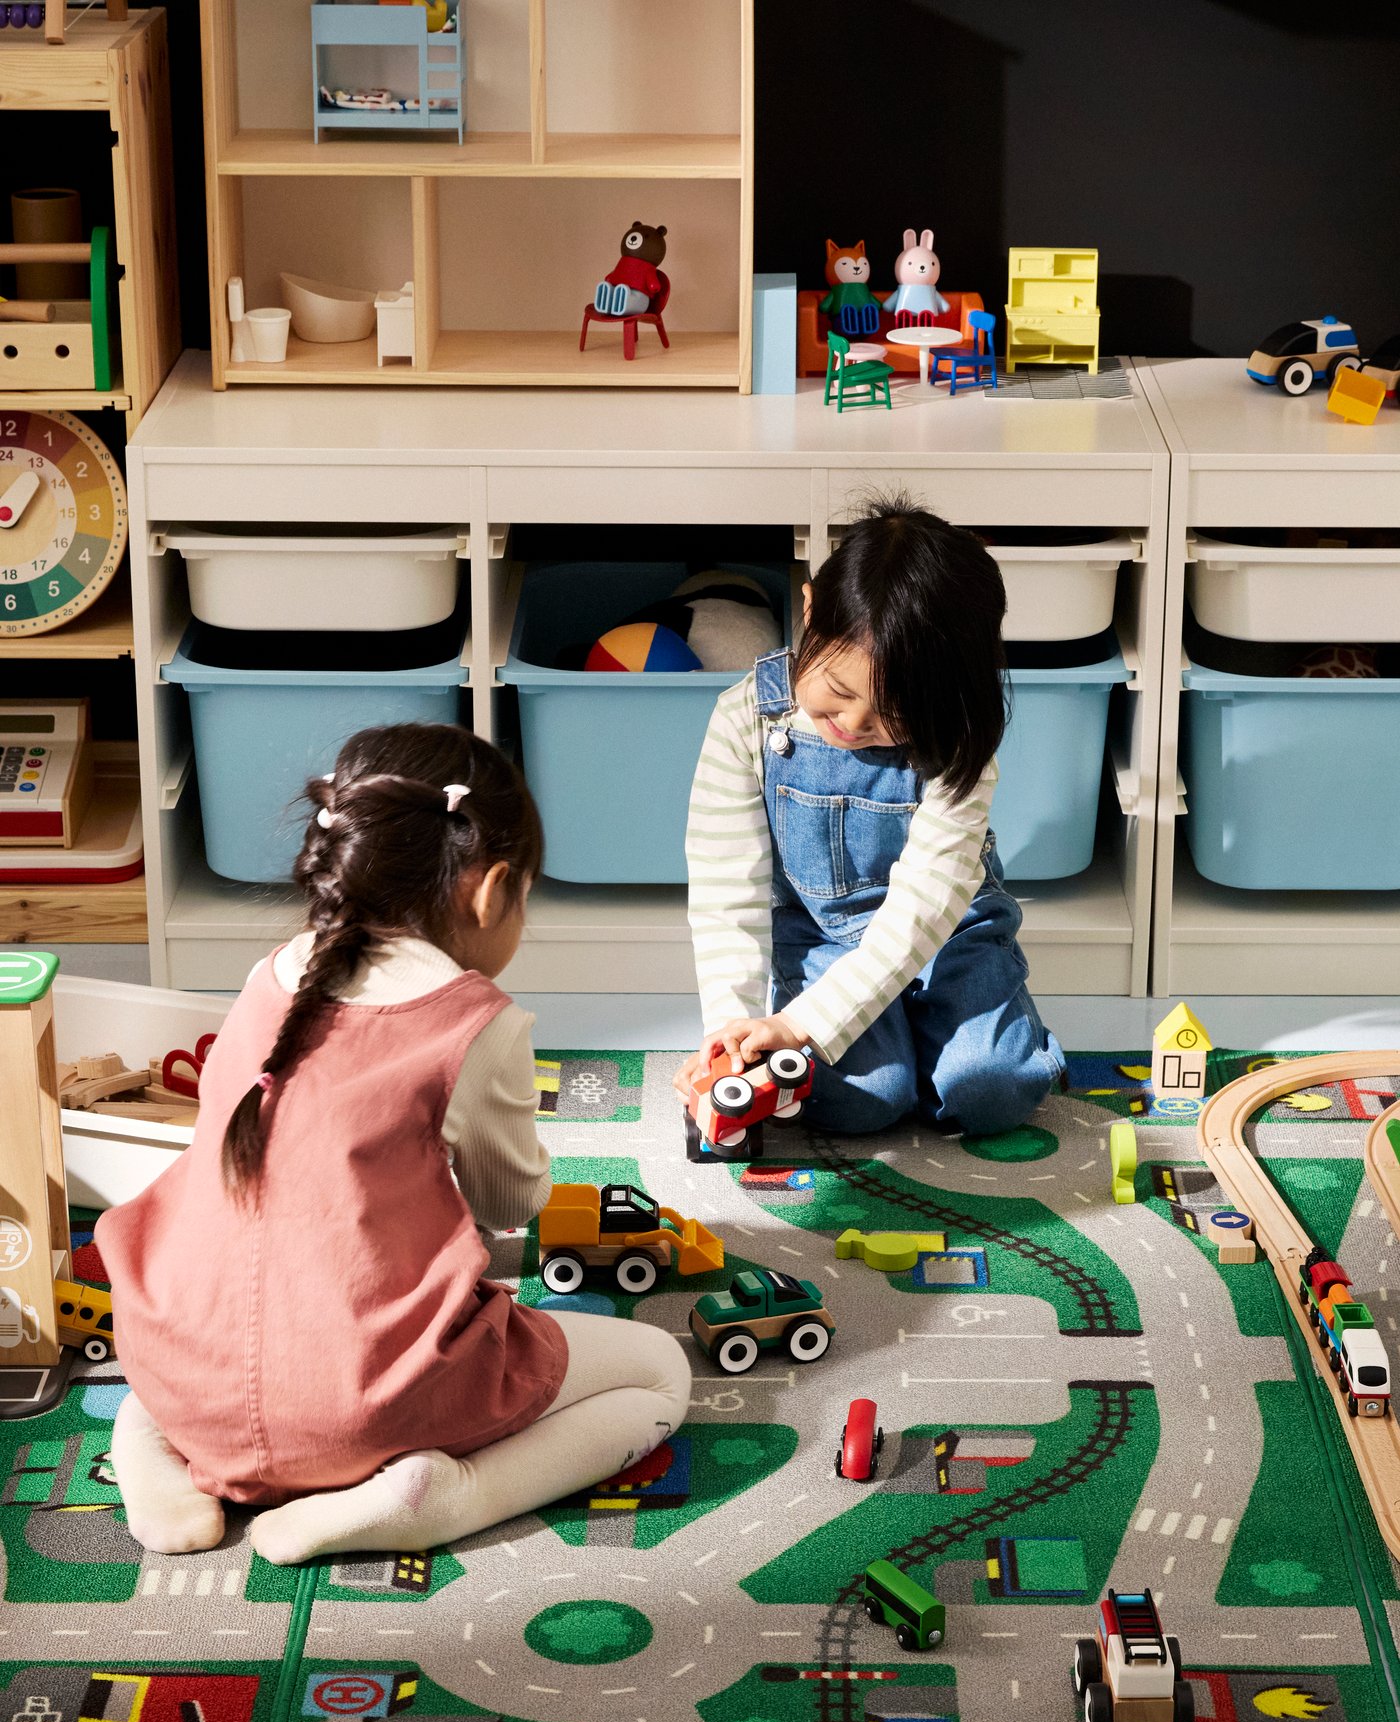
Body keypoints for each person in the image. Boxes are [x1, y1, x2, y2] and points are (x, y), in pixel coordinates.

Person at [102, 723, 690, 1562]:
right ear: (490, 892)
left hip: (178, 1364)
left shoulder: (270, 974)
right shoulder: (476, 1021)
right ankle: (441, 1495)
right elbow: (511, 1203)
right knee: (659, 1372)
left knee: (198, 1349)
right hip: (362, 1409)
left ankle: (155, 1441)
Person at [676, 496, 1065, 1137]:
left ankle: (963, 1038)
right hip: (825, 938)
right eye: (842, 692)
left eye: (895, 712)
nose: (855, 725)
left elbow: (921, 913)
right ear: (809, 613)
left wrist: (801, 1026)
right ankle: (904, 1048)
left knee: (990, 1091)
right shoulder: (746, 717)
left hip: (947, 935)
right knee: (864, 1101)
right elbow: (727, 897)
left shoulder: (957, 738)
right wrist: (732, 1036)